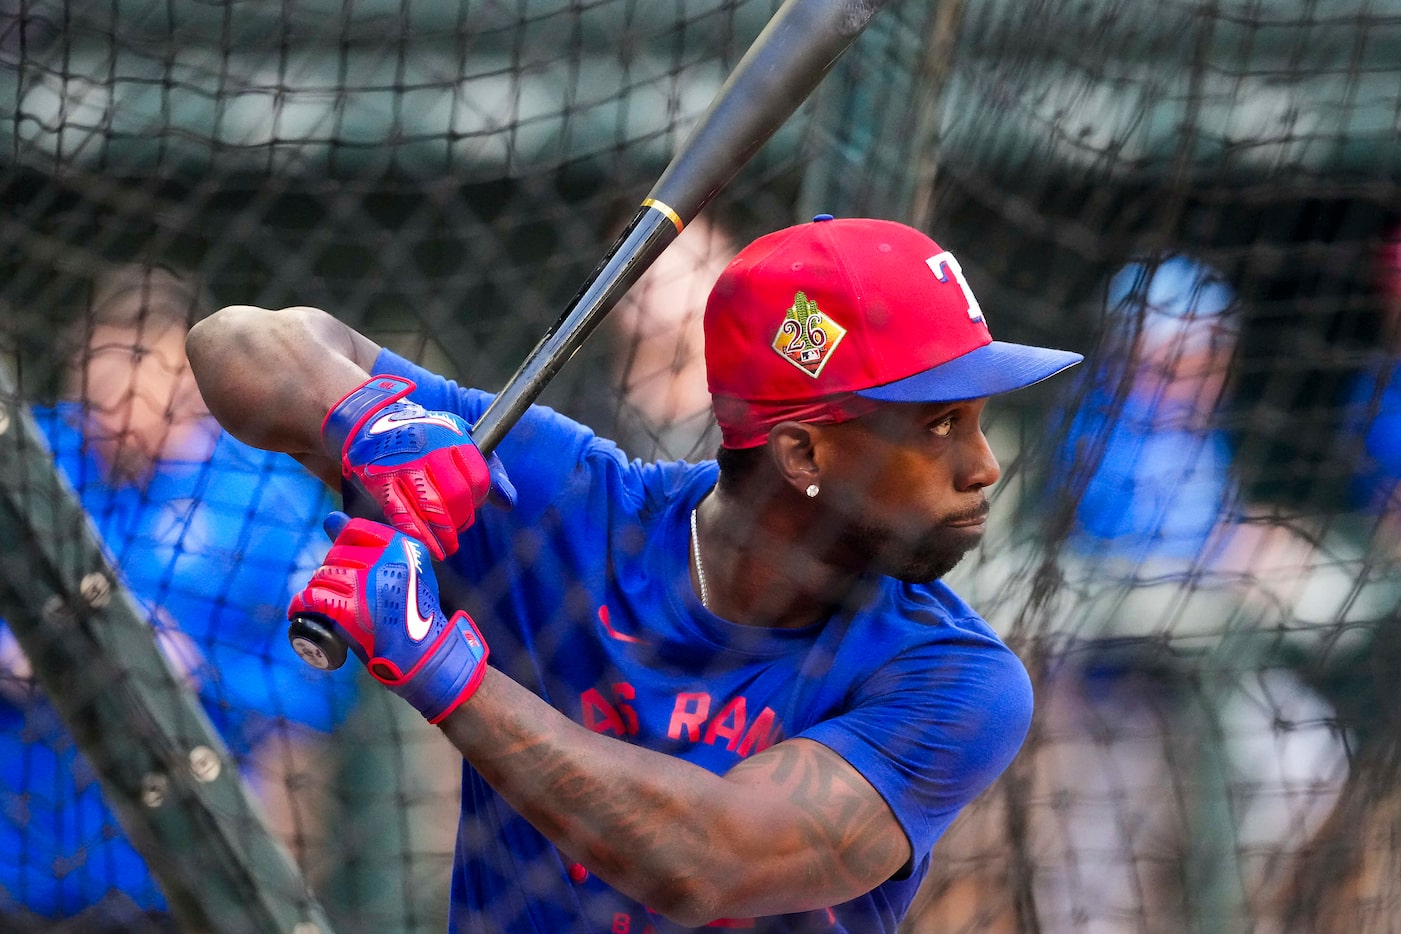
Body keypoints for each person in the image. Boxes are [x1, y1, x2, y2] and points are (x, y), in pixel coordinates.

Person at [186, 214, 1084, 932]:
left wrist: (440, 669)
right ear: (802, 452)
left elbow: (708, 864)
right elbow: (241, 342)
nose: (982, 465)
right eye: (938, 425)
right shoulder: (567, 504)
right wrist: (367, 424)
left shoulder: (952, 676)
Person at [0, 264, 355, 930]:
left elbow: (315, 688)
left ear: (194, 385)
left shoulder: (264, 496)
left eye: (143, 368)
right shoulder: (34, 459)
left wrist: (198, 670)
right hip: (21, 861)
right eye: (100, 368)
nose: (117, 392)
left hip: (187, 869)